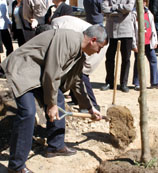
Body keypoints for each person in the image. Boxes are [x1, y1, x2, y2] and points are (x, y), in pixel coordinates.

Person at [1, 24, 107, 173]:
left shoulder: (79, 54)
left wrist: (90, 108)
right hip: (23, 69)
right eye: (100, 47)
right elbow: (52, 72)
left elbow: (77, 82)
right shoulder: (68, 39)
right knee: (28, 113)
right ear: (93, 40)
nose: (98, 52)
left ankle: (55, 146)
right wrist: (50, 105)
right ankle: (16, 166)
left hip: (38, 74)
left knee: (58, 100)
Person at [51, 15, 108, 112]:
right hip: (93, 41)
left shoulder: (57, 26)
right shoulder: (59, 25)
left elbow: (77, 78)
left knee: (82, 74)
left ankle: (91, 104)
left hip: (97, 42)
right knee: (76, 73)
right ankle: (80, 101)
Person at [101, 0, 136, 93]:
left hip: (126, 31)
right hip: (111, 31)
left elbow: (129, 8)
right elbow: (104, 8)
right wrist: (120, 10)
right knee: (109, 57)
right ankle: (109, 82)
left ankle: (123, 83)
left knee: (126, 59)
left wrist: (114, 8)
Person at [131, 0, 158, 90]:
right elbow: (132, 30)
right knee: (138, 62)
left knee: (153, 60)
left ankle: (155, 82)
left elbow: (153, 27)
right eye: (141, 2)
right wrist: (134, 44)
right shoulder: (134, 14)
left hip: (148, 41)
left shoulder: (149, 13)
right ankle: (137, 83)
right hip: (139, 43)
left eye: (144, 2)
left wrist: (155, 41)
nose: (143, 4)